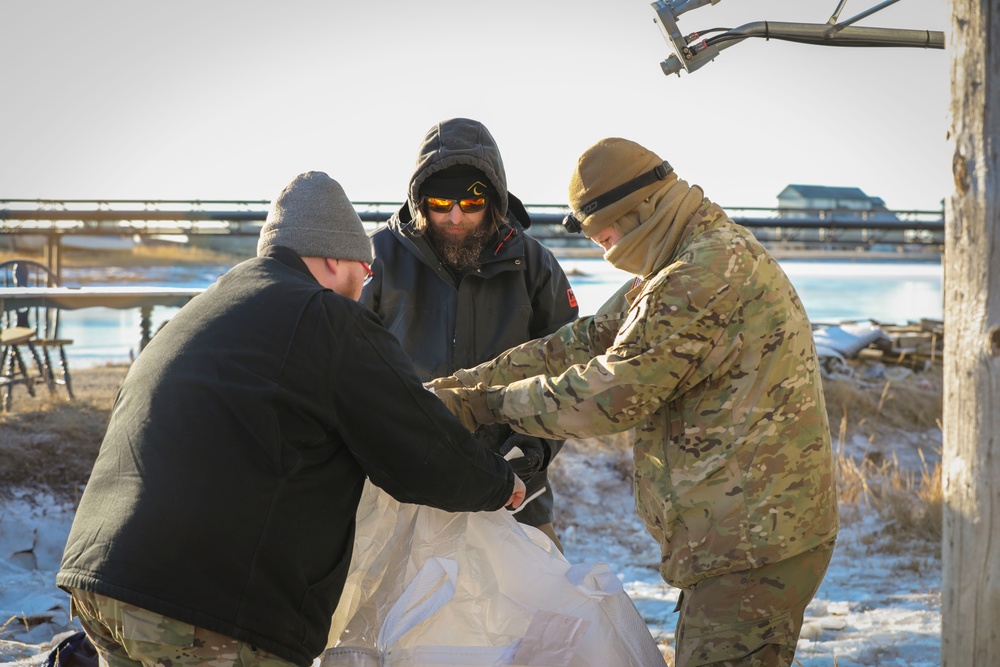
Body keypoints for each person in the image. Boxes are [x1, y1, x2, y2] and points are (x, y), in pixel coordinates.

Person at [56, 171, 525, 667]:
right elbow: (421, 449)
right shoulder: (326, 318)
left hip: (99, 585)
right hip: (207, 610)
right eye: (364, 272)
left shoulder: (203, 309)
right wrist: (501, 484)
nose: (364, 290)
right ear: (331, 257)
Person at [428, 138, 840, 667]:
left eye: (607, 237)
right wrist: (462, 385)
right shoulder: (680, 257)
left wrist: (484, 407)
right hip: (741, 534)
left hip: (754, 542)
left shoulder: (702, 272)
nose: (606, 252)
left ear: (639, 212)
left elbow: (613, 392)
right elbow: (580, 342)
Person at [360, 117, 578, 550]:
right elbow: (347, 369)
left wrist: (536, 448)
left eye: (471, 203)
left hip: (517, 488)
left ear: (494, 200)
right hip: (402, 490)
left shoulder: (535, 264)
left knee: (540, 609)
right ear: (419, 199)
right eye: (440, 203)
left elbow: (571, 369)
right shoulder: (375, 259)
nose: (455, 217)